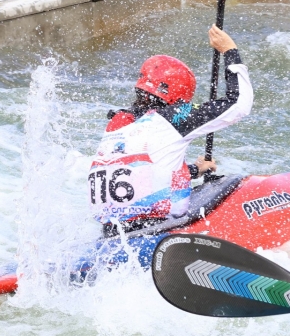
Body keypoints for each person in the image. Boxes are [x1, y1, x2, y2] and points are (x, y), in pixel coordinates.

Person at [88, 24, 253, 232]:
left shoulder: (119, 121)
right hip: (160, 228)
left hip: (113, 232)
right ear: (178, 97)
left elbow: (140, 174)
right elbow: (239, 103)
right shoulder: (173, 117)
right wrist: (230, 51)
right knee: (233, 183)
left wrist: (194, 170)